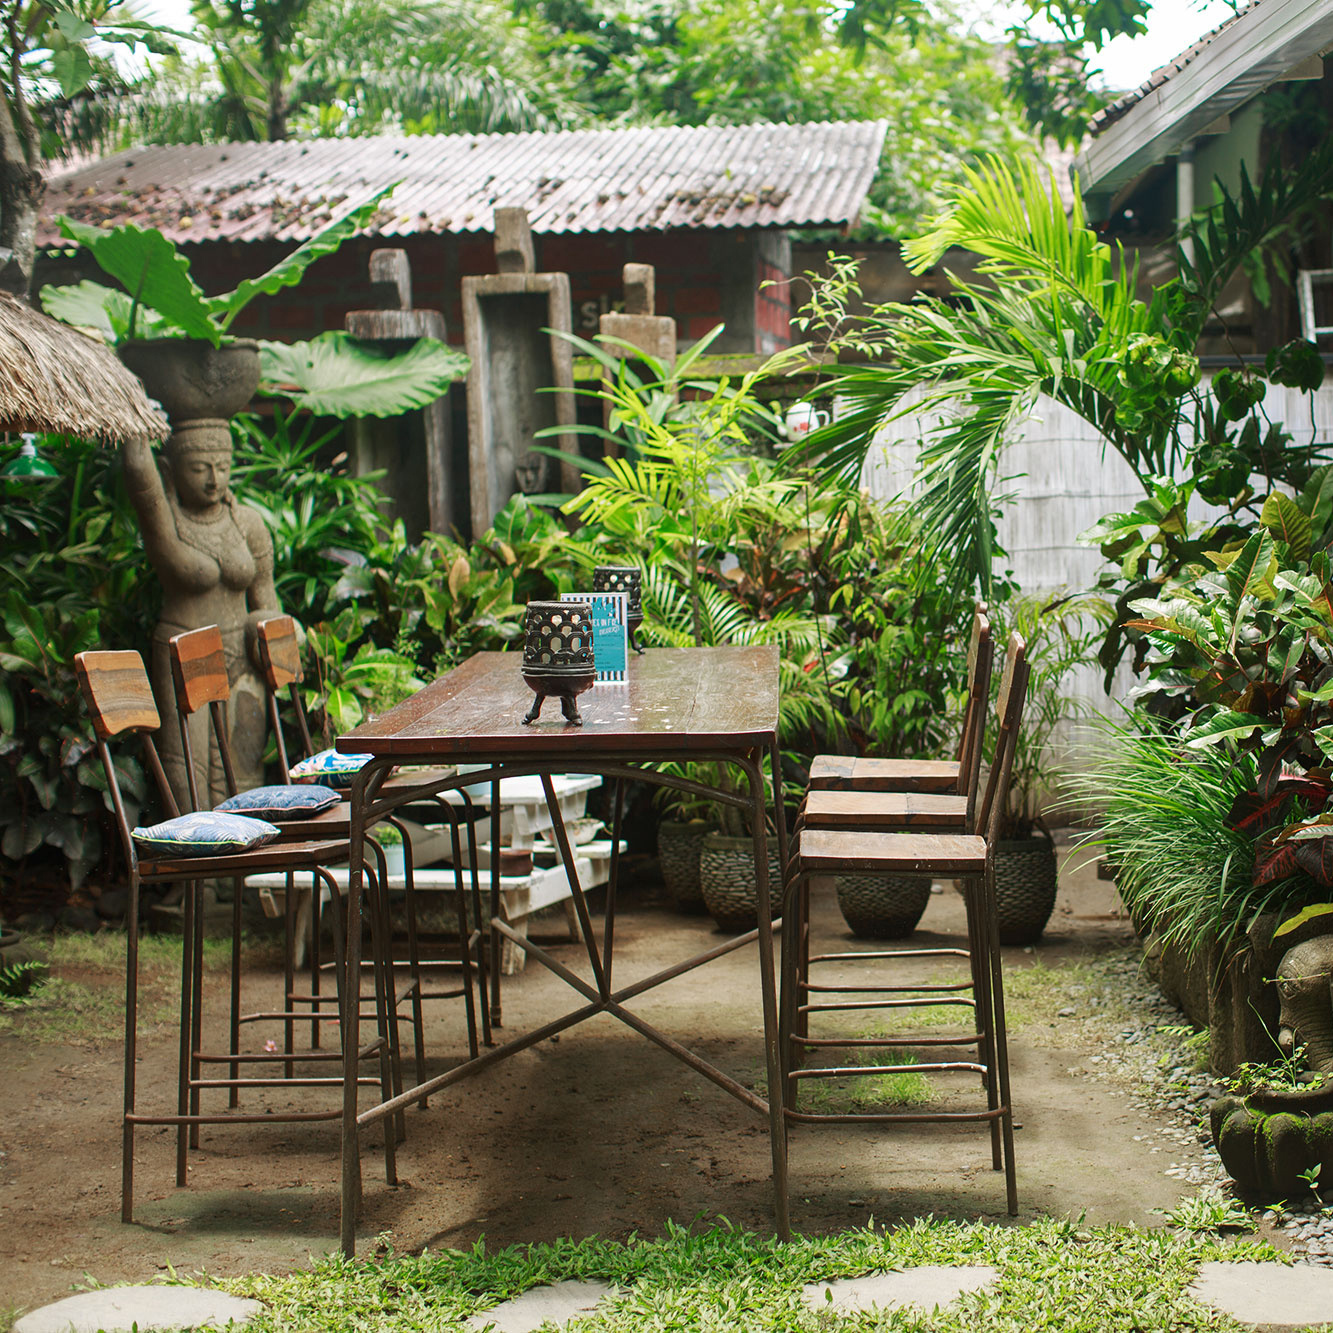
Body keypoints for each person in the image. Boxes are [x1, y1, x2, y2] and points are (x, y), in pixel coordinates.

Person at [122, 424, 280, 812]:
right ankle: (197, 872)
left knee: (243, 766)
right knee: (186, 767)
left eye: (222, 467)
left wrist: (272, 633)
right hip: (182, 648)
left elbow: (266, 599)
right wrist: (131, 413)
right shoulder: (169, 523)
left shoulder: (247, 524)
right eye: (199, 469)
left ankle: (240, 869)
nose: (213, 480)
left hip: (240, 655)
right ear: (171, 469)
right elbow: (139, 473)